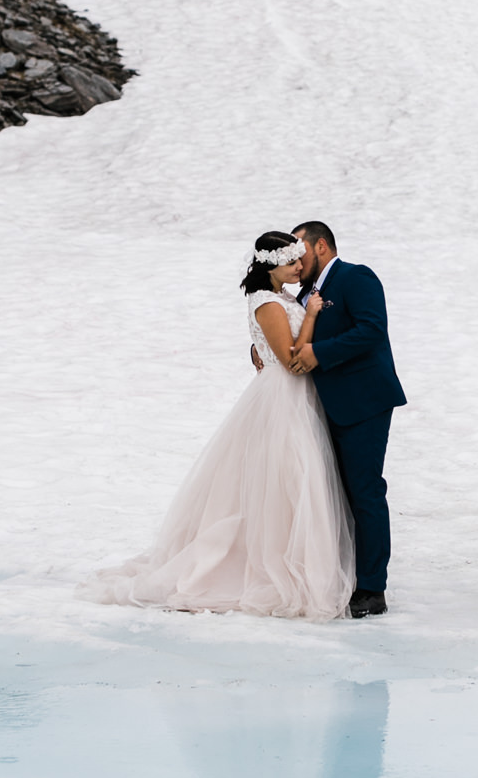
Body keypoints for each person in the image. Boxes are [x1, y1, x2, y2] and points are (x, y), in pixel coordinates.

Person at [90, 231, 355, 623]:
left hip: (297, 396)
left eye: (300, 260)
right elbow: (288, 357)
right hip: (283, 397)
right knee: (288, 477)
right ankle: (270, 567)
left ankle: (296, 559)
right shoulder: (267, 301)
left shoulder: (280, 297)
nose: (300, 267)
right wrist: (312, 315)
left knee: (295, 481)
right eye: (291, 262)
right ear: (272, 266)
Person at [285, 220, 405, 618]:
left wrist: (320, 352)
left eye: (299, 250)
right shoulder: (304, 293)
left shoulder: (357, 277)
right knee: (335, 495)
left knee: (365, 492)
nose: (294, 260)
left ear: (321, 246)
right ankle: (344, 576)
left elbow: (372, 330)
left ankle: (372, 588)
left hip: (363, 401)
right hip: (324, 407)